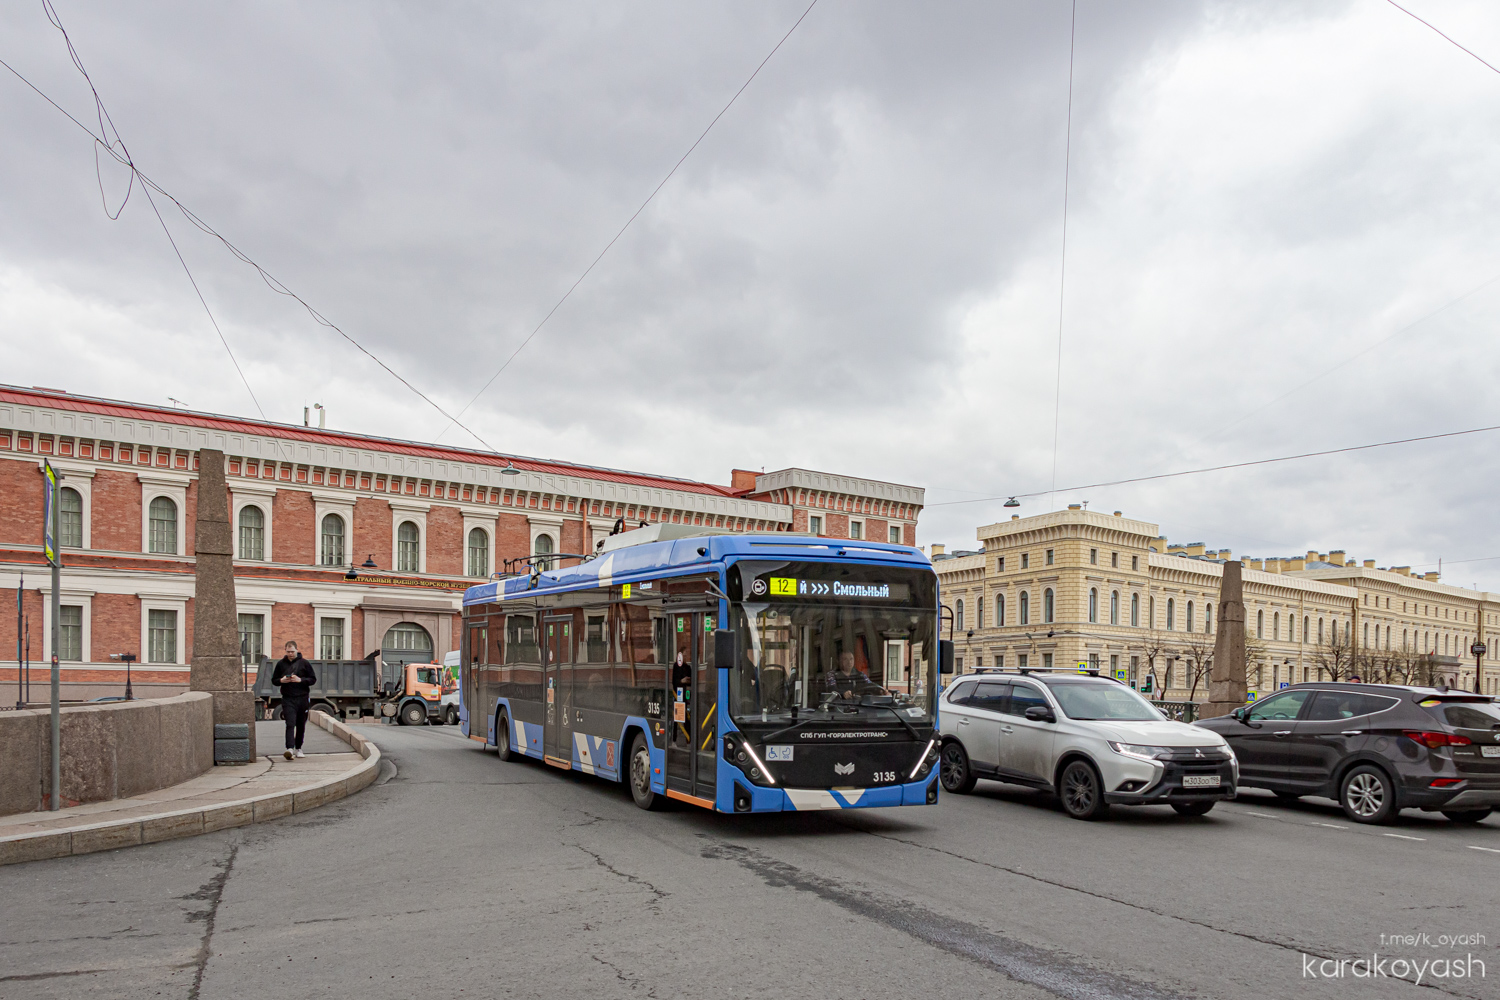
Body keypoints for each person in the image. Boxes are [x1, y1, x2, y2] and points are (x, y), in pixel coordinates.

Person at [273, 640, 317, 760]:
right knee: (290, 723)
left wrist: (300, 680)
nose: (290, 654)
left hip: (302, 698)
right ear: (285, 651)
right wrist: (281, 680)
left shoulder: (305, 663)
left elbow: (313, 679)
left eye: (292, 651)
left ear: (297, 650)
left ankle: (298, 748)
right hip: (288, 698)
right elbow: (274, 680)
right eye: (288, 652)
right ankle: (289, 749)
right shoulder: (281, 664)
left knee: (301, 725)